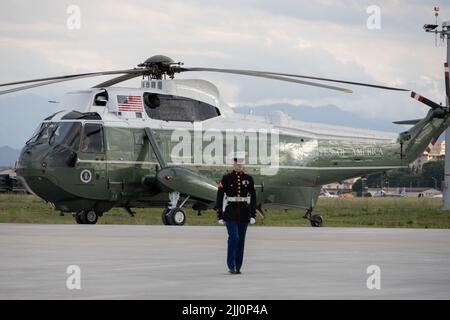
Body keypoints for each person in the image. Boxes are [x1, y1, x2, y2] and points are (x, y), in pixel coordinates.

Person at [215, 153, 257, 275]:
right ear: (233, 164)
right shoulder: (226, 178)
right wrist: (220, 215)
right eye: (237, 164)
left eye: (241, 164)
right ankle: (231, 265)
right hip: (230, 212)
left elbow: (253, 198)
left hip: (244, 212)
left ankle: (238, 266)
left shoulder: (249, 179)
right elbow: (220, 196)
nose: (239, 166)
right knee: (234, 237)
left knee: (241, 240)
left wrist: (253, 215)